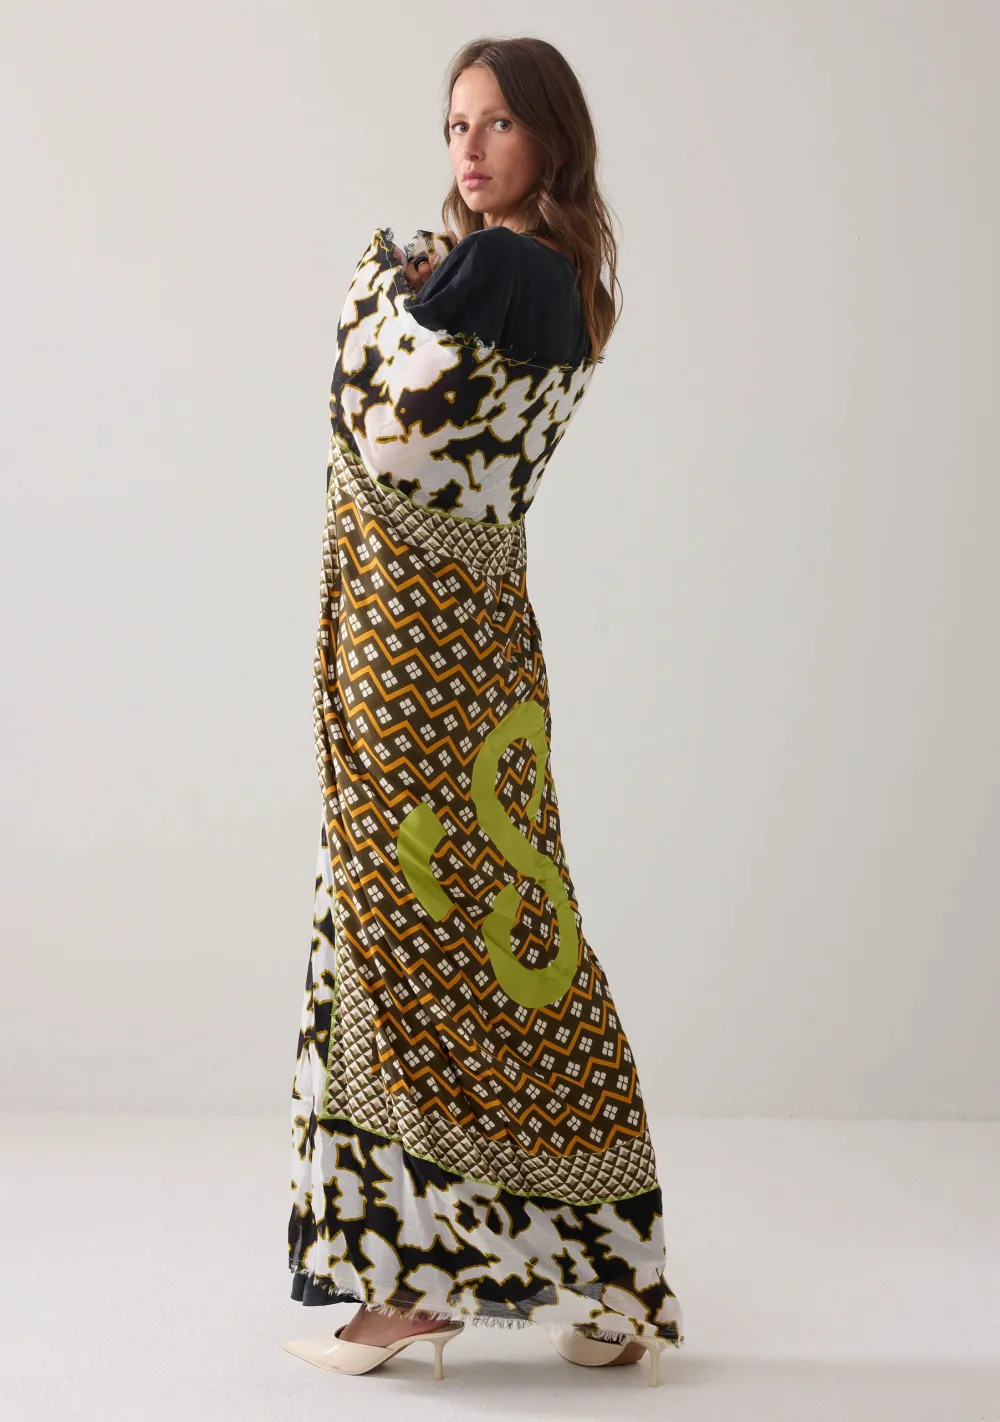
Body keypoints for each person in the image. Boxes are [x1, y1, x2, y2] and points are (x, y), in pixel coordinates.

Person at [285, 36, 685, 1385]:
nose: (470, 146)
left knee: (414, 934)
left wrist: (385, 283)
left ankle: (418, 1285)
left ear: (551, 140)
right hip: (463, 634)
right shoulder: (548, 277)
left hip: (423, 649)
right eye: (456, 123)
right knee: (503, 940)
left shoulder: (510, 271)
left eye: (500, 122)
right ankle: (609, 1270)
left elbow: (387, 402)